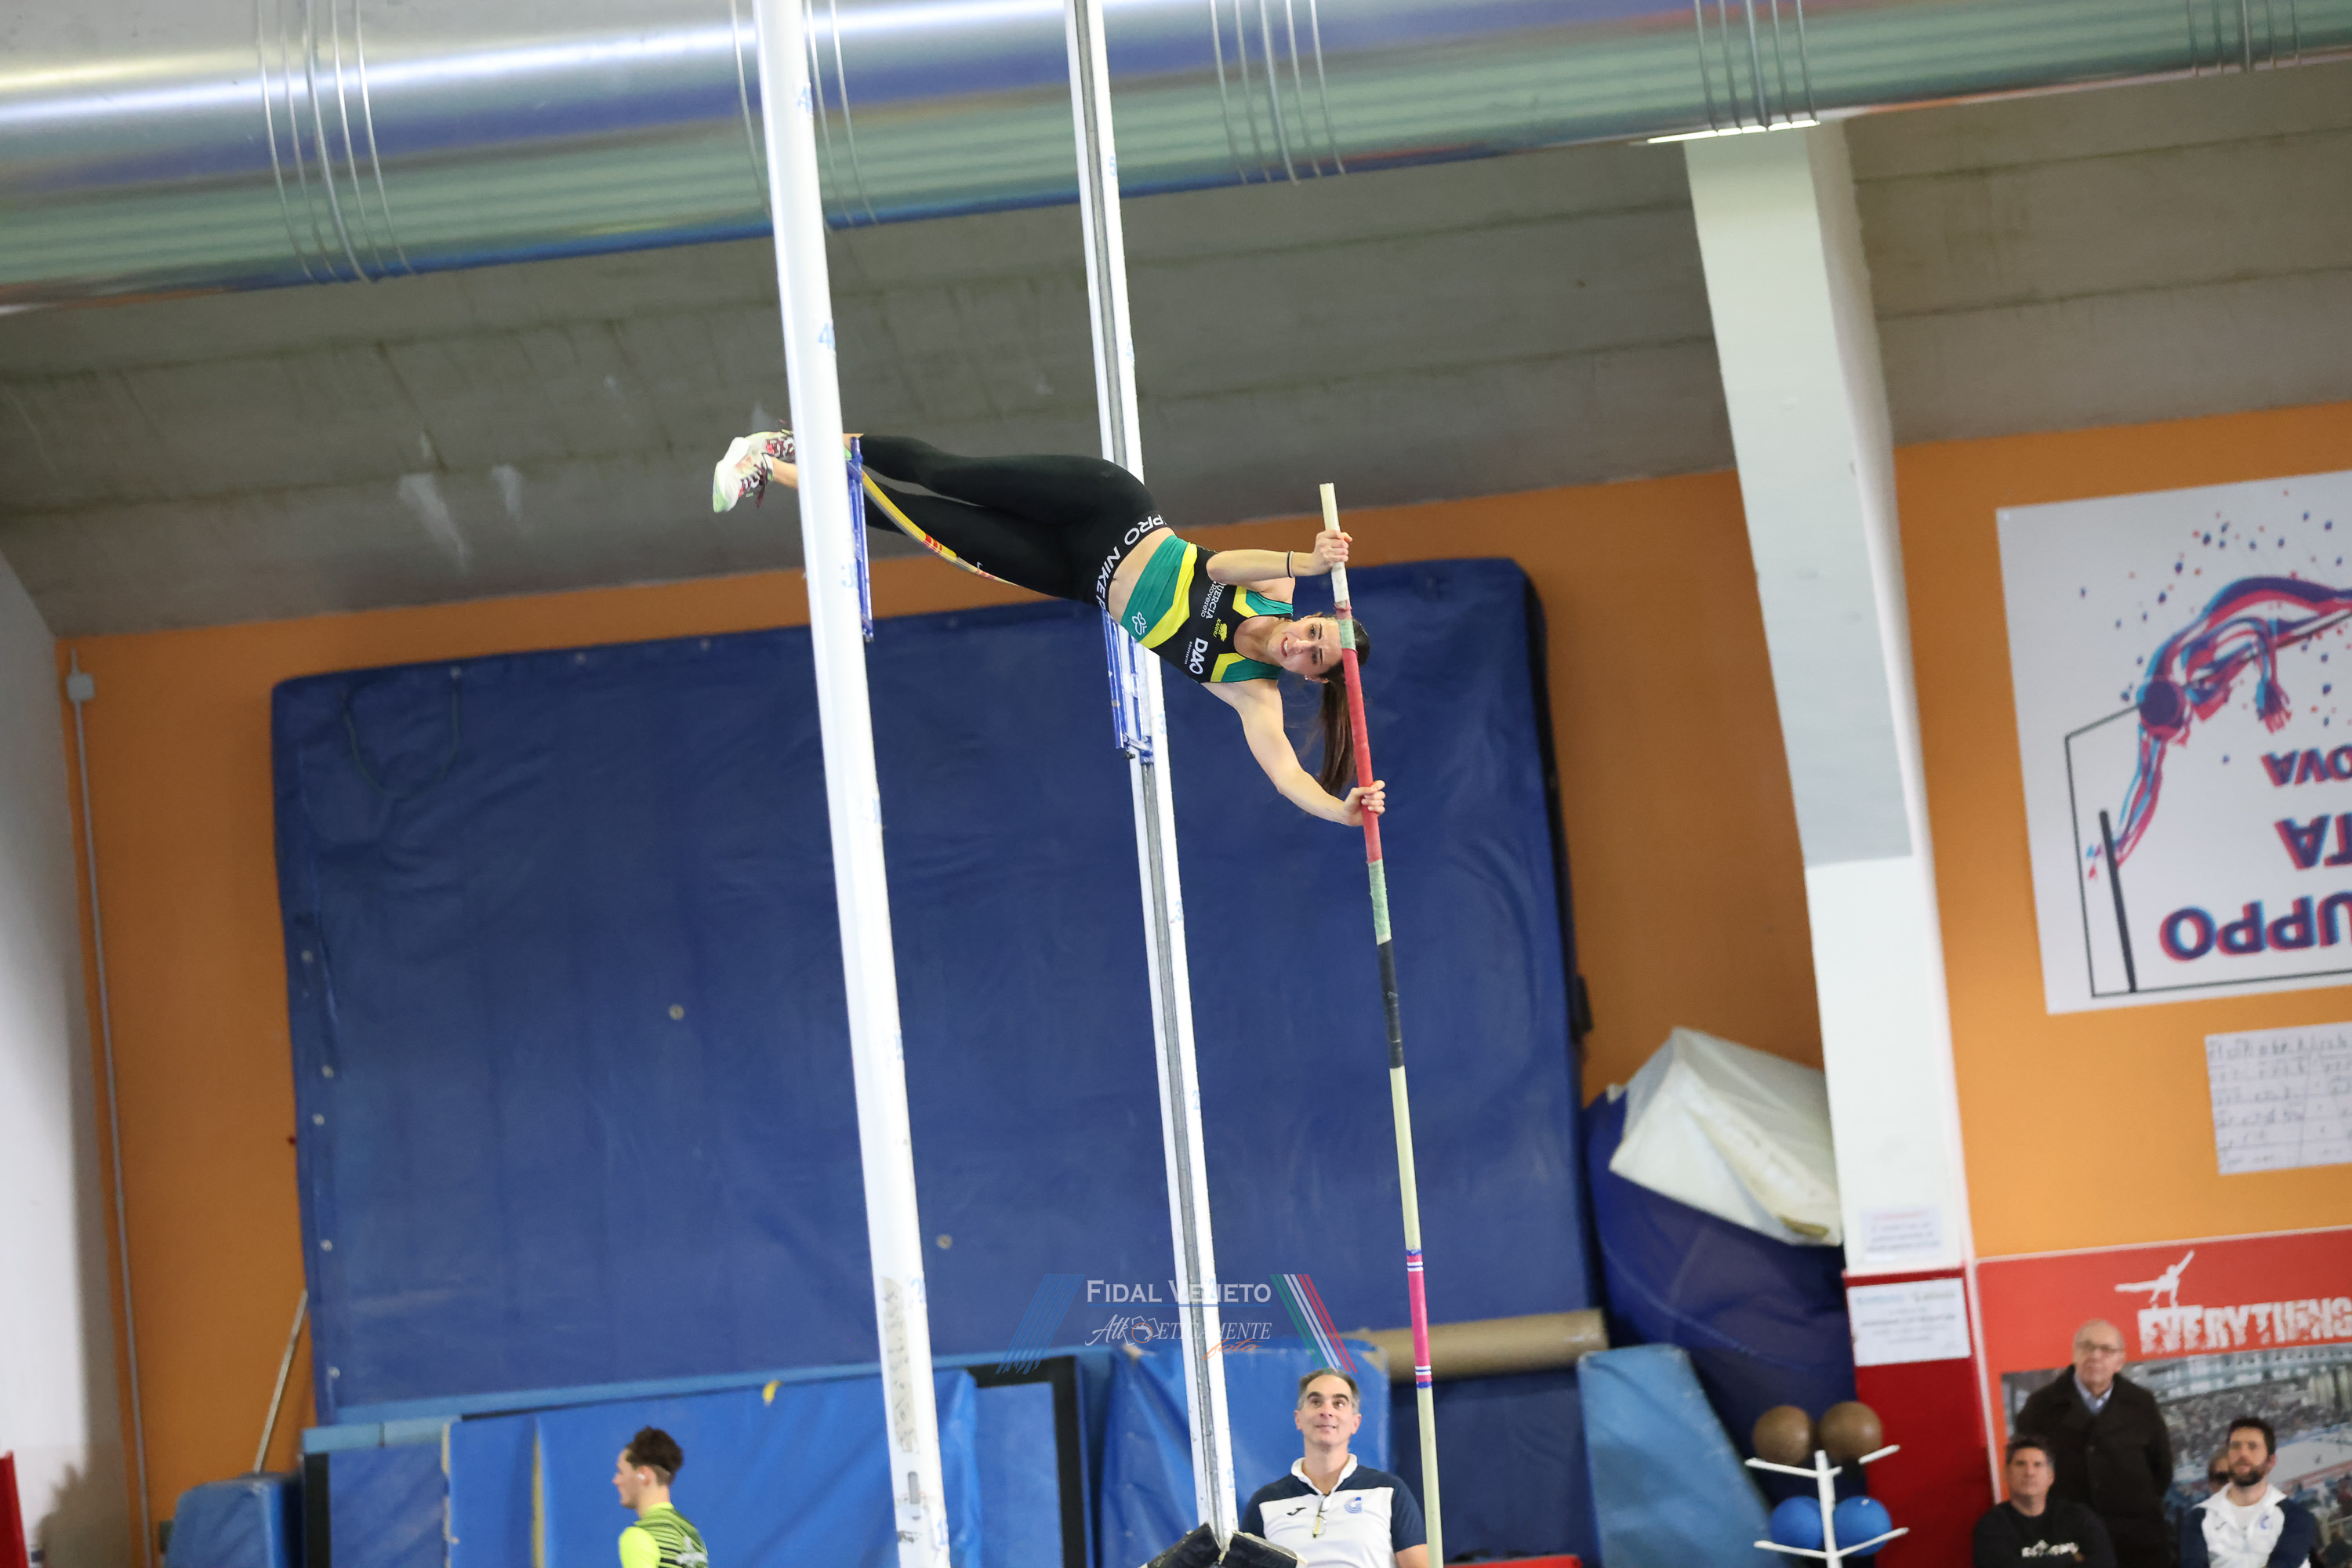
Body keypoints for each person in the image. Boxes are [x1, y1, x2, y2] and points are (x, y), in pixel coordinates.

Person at [713, 433, 1388, 829]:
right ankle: (795, 441)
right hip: (1109, 509)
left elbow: (1286, 775)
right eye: (1314, 633)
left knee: (920, 521)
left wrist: (1340, 810)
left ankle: (765, 466)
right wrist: (1307, 560)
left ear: (1311, 678)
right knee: (949, 475)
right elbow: (1218, 565)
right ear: (1312, 615)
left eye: (1313, 658)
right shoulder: (1275, 588)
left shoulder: (1249, 692)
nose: (1301, 645)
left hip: (1075, 573)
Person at [2014, 1319, 2175, 1566]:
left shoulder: (2141, 1403)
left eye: (2106, 1350)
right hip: (2070, 1540)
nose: (2095, 1356)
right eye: (2087, 1347)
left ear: (2120, 1361)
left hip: (2138, 1540)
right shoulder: (2040, 1407)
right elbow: (2025, 1474)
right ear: (2074, 1353)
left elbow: (2161, 1470)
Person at [1238, 1370, 1428, 1568]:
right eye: (1316, 1402)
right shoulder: (1265, 1503)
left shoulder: (1389, 1491)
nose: (1327, 1411)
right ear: (1298, 1419)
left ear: (1355, 1423)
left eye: (1339, 1403)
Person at [2180, 1417, 2318, 1568]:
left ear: (2270, 1461)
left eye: (2253, 1447)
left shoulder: (2297, 1517)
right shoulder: (2198, 1518)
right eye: (2235, 1446)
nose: (2243, 1454)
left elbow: (2283, 1564)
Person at [1974, 1434, 2117, 1567]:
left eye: (2038, 1465)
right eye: (2020, 1464)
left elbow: (2105, 1563)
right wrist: (2069, 1559)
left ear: (2051, 1477)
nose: (2029, 1472)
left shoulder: (2079, 1517)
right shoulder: (1993, 1525)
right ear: (2006, 1473)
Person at [612, 1427, 708, 1568]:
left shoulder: (638, 1536)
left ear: (644, 1475)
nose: (616, 1480)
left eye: (621, 1472)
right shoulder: (691, 1532)